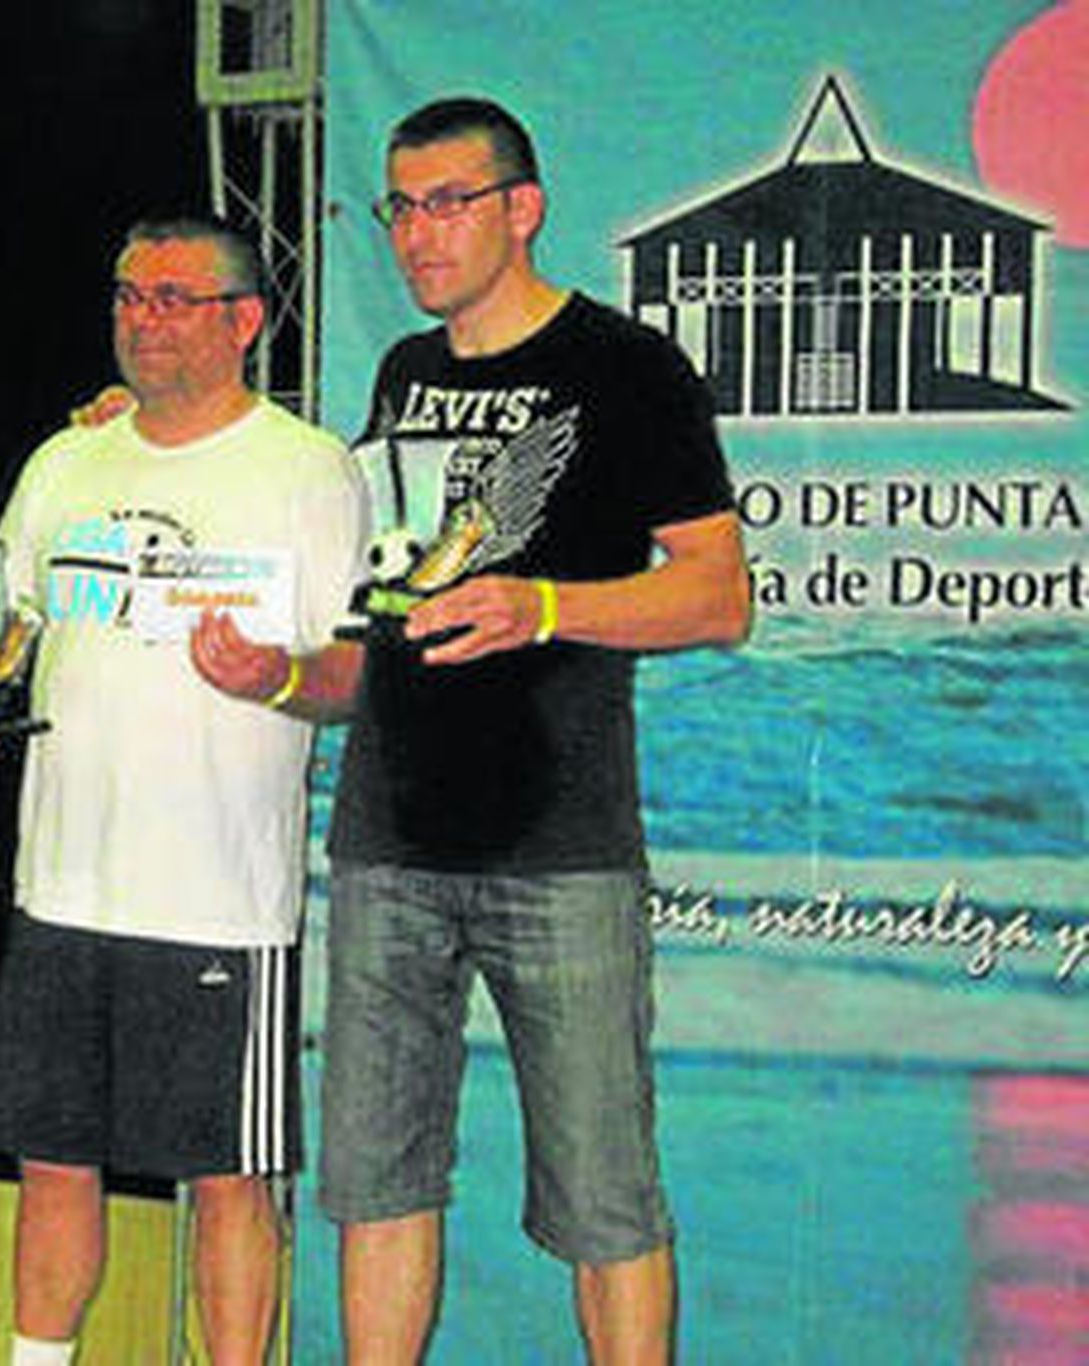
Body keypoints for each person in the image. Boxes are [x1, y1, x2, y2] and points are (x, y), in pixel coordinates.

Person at [189, 98, 751, 1364]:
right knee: (378, 1184)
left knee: (605, 1195)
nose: (418, 234)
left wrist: (542, 602)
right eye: (400, 207)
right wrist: (275, 674)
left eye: (449, 202)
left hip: (562, 846)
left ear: (521, 209)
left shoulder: (628, 368)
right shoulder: (400, 373)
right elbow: (383, 623)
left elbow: (719, 597)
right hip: (388, 839)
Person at [0, 215, 366, 1366]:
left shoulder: (305, 467)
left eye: (175, 298)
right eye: (129, 295)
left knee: (226, 1177)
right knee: (50, 1159)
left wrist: (274, 676)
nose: (144, 318)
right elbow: (1, 631)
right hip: (64, 883)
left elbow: (355, 671)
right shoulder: (66, 460)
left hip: (216, 897)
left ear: (244, 322)